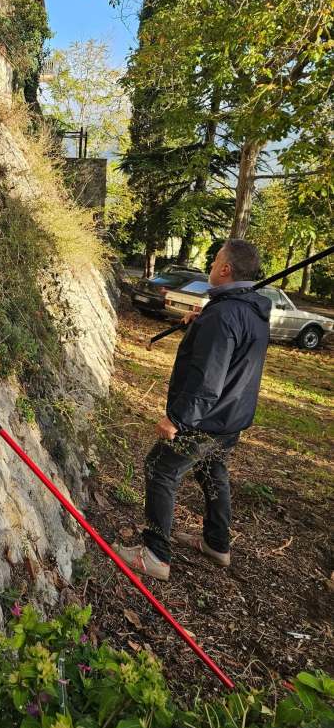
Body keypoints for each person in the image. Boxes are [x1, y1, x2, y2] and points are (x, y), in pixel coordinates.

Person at [114, 239, 270, 581]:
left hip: (205, 419)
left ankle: (154, 554)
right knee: (211, 470)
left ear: (226, 269)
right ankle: (217, 544)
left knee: (160, 466)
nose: (212, 266)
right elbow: (233, 351)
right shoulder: (251, 310)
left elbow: (208, 378)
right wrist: (202, 323)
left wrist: (177, 418)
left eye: (215, 261)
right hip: (231, 419)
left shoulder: (225, 314)